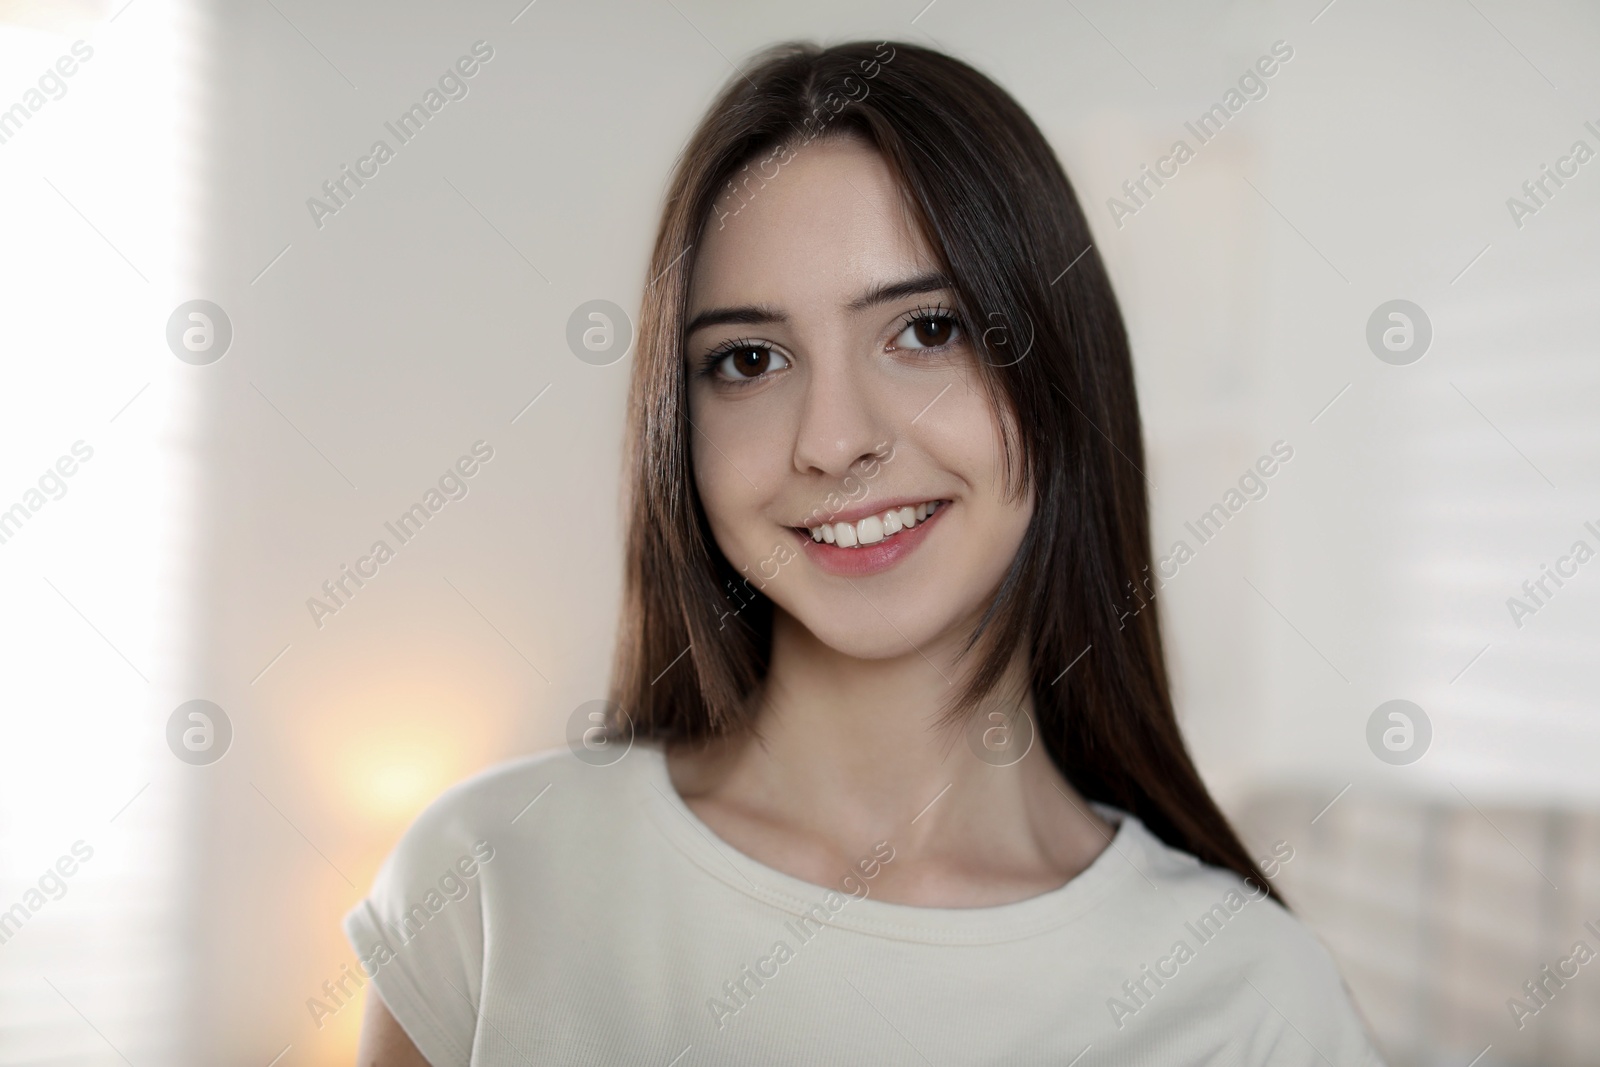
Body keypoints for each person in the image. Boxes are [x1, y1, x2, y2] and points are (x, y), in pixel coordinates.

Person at [349, 39, 1385, 1065]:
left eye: (927, 330)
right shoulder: (489, 881)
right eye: (749, 359)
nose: (834, 438)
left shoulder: (1249, 1001)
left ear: (1060, 369)